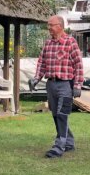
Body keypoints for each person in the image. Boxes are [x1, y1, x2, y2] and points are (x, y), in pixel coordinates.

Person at [30, 15, 84, 158]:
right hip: (51, 84)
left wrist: (78, 85)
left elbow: (78, 65)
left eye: (51, 25)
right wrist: (36, 79)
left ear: (60, 26)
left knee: (62, 114)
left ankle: (58, 146)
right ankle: (69, 142)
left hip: (65, 84)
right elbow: (42, 63)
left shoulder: (70, 42)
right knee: (56, 115)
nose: (49, 28)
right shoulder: (48, 44)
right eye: (48, 25)